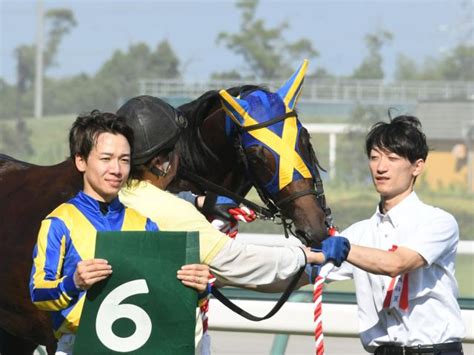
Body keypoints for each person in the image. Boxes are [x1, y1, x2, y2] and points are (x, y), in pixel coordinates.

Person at [115, 95, 351, 353]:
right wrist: (310, 257)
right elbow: (239, 262)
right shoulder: (176, 214)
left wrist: (308, 275)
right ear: (162, 163)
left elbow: (227, 275)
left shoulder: (106, 200)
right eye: (176, 150)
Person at [29, 111, 211, 355]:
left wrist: (199, 289)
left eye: (124, 160)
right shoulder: (59, 223)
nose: (117, 169)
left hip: (137, 344)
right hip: (78, 345)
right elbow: (38, 292)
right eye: (106, 158)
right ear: (80, 160)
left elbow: (163, 296)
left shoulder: (146, 224)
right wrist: (73, 283)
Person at [326, 115, 465, 354]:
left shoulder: (439, 222)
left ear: (417, 166)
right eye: (374, 157)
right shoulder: (359, 233)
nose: (380, 167)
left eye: (392, 158)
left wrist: (345, 249)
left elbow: (397, 263)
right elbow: (302, 270)